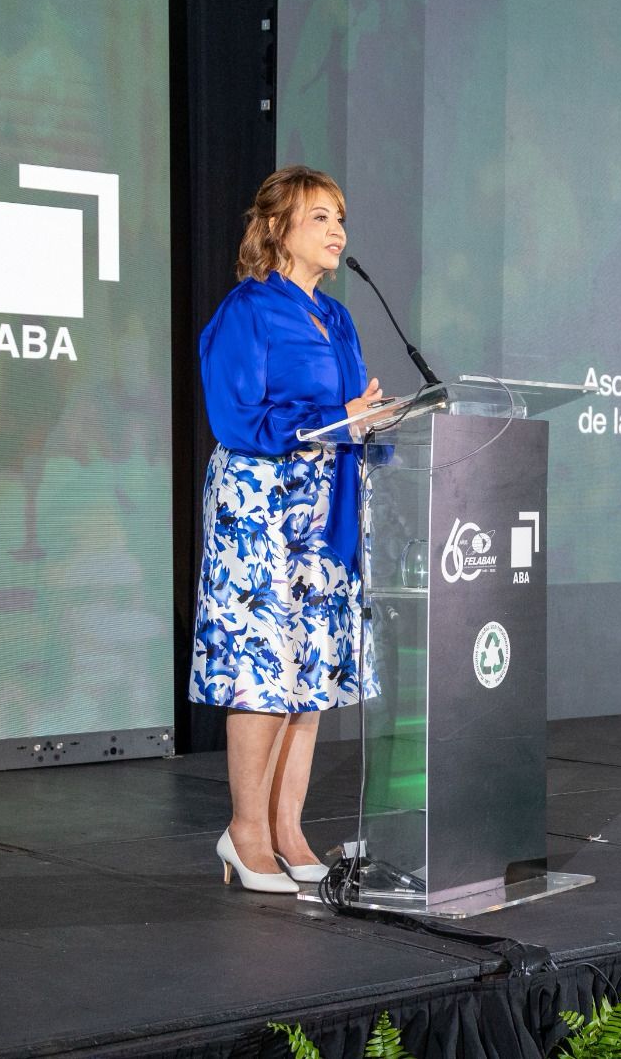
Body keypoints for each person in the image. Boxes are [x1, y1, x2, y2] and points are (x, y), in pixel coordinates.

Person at [190, 166, 384, 893]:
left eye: (340, 217)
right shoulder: (247, 309)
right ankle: (245, 832)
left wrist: (371, 420)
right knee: (263, 670)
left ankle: (286, 827)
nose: (337, 231)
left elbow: (347, 413)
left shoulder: (336, 318)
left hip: (325, 508)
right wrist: (335, 421)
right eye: (319, 217)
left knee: (308, 675)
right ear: (277, 229)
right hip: (261, 509)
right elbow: (234, 418)